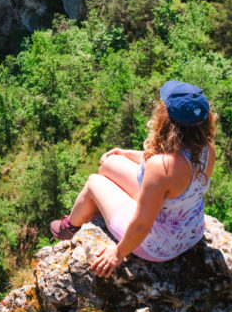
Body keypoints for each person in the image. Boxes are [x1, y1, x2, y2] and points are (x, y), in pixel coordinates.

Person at [49, 80, 216, 277]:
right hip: (191, 230)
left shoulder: (161, 168)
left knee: (95, 182)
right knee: (110, 162)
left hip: (158, 245)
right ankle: (95, 209)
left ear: (168, 120)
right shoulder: (207, 148)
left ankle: (69, 228)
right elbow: (171, 169)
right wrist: (125, 153)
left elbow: (141, 225)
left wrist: (118, 253)